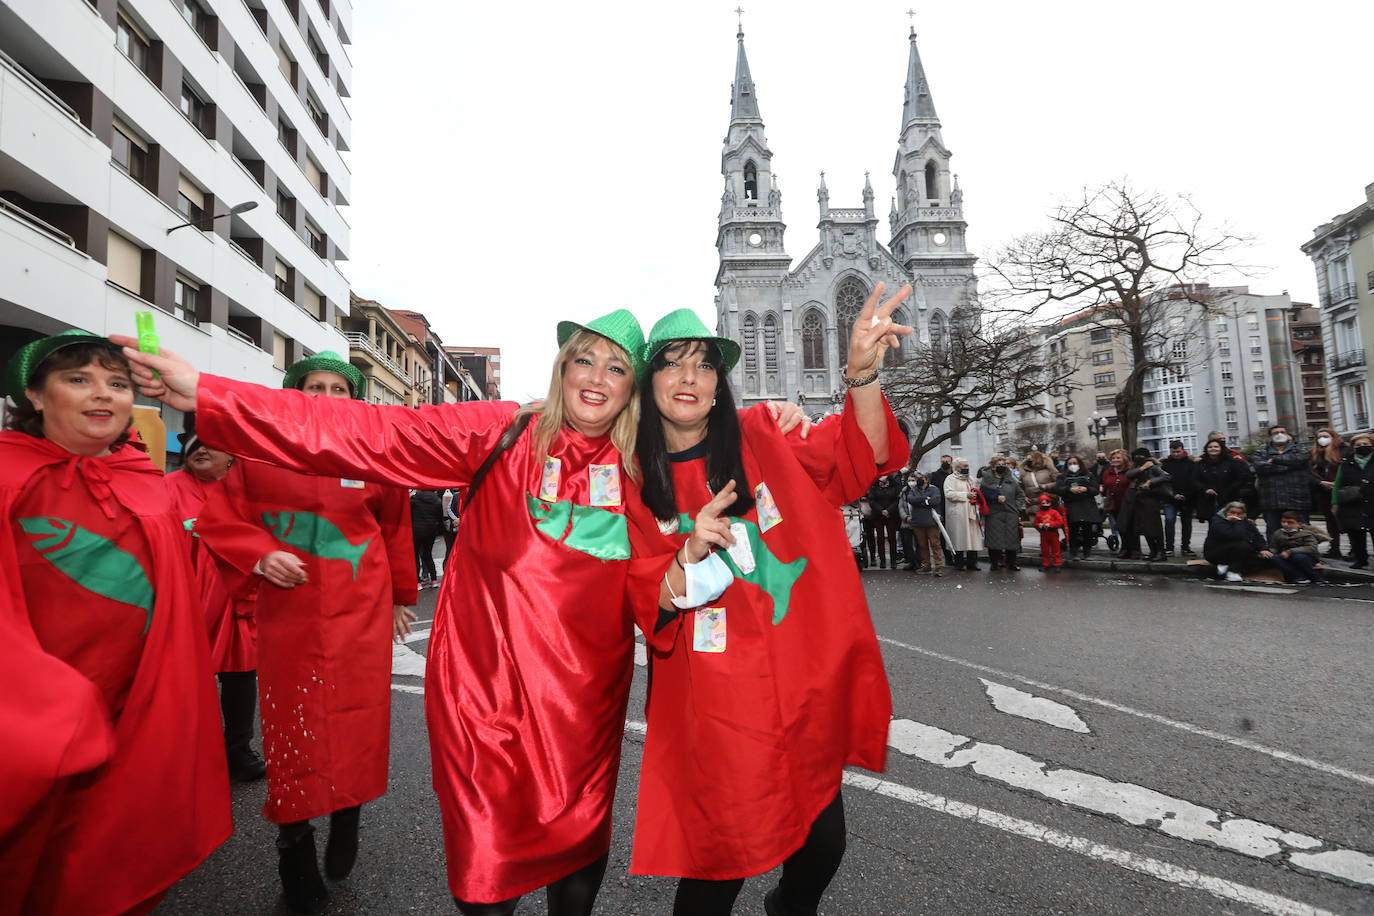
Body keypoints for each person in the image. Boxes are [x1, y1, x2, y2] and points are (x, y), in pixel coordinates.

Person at [118, 315, 805, 916]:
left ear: (632, 389)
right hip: (483, 694)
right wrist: (212, 394)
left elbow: (666, 552)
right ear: (562, 368)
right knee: (484, 860)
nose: (597, 377)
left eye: (617, 367)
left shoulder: (637, 469)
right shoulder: (500, 430)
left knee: (578, 842)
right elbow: (369, 432)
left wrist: (771, 423)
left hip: (584, 703)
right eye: (584, 359)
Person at [625, 287, 911, 916]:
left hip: (798, 682)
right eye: (671, 363)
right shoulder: (633, 480)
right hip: (715, 699)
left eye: (704, 364)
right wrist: (687, 553)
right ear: (649, 383)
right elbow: (648, 597)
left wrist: (861, 374)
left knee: (822, 845)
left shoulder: (764, 434)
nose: (689, 377)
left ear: (719, 384)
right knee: (720, 864)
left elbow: (860, 455)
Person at [0, 331, 230, 913]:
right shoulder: (6, 473)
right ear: (35, 395)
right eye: (78, 379)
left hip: (138, 697)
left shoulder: (143, 476)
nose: (102, 393)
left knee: (117, 844)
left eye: (117, 383)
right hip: (32, 708)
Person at [193, 352, 417, 913]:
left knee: (358, 718)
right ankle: (294, 846)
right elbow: (222, 518)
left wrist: (399, 597)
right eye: (315, 386)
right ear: (295, 393)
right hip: (290, 612)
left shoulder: (373, 454)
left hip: (360, 608)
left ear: (353, 399)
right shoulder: (259, 451)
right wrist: (261, 554)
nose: (326, 396)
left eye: (339, 388)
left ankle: (348, 812)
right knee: (292, 725)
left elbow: (394, 528)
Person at [164, 429, 266, 782]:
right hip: (184, 602)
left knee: (240, 674)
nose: (200, 449)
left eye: (211, 444)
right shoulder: (168, 487)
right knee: (184, 679)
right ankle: (185, 750)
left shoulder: (247, 492)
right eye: (194, 444)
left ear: (233, 456)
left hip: (237, 602)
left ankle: (237, 749)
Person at [1250, 425, 1312, 543]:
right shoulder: (1260, 453)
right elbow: (1260, 467)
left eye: (1282, 432)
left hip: (1298, 499)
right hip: (1271, 500)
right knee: (1274, 533)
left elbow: (1301, 459)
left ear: (1288, 435)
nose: (1279, 434)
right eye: (1275, 432)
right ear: (1269, 436)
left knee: (1301, 532)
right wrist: (1291, 466)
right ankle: (1275, 553)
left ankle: (1302, 553)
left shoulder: (1301, 449)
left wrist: (1275, 460)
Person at [1119, 447, 1170, 561]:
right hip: (1138, 500)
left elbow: (1166, 476)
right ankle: (1153, 551)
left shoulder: (1154, 467)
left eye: (1140, 456)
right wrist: (1143, 468)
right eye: (1136, 456)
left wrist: (1150, 482)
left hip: (1150, 499)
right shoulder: (1137, 467)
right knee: (1144, 528)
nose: (1138, 458)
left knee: (1154, 527)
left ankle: (1161, 552)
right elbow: (1129, 475)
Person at [1203, 500, 1274, 582]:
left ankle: (1227, 568)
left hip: (1238, 553)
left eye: (1239, 514)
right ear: (1226, 512)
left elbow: (1257, 537)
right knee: (1242, 545)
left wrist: (1263, 549)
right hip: (1217, 552)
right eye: (1232, 512)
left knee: (1266, 559)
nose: (1235, 516)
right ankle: (1233, 571)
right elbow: (1236, 536)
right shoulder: (1218, 522)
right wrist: (1238, 522)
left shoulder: (1246, 523)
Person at [1333, 432, 1374, 569]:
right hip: (1352, 503)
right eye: (1358, 444)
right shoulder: (1345, 464)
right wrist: (1335, 503)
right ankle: (1361, 559)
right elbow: (1337, 484)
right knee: (1355, 533)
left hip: (1372, 502)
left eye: (1365, 444)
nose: (1362, 446)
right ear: (1353, 447)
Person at [979, 456, 1024, 571]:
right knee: (994, 540)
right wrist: (995, 498)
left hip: (1010, 513)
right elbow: (982, 495)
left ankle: (1012, 563)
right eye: (998, 465)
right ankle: (994, 563)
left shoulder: (1011, 480)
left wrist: (1017, 507)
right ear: (993, 467)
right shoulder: (986, 481)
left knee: (1012, 539)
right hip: (994, 514)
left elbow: (1020, 495)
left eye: (1003, 464)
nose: (1002, 467)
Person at [1310, 428, 1348, 559]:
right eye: (1319, 437)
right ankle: (1334, 548)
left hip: (1342, 490)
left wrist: (1337, 483)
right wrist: (1320, 482)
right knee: (1331, 522)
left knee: (1349, 520)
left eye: (1325, 436)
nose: (1322, 439)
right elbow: (1309, 471)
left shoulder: (1344, 450)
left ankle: (1356, 550)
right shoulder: (1314, 453)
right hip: (1323, 492)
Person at [1195, 438, 1250, 522]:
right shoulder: (1200, 464)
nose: (1213, 449)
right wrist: (1205, 489)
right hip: (1209, 500)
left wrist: (1230, 488)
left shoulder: (1231, 462)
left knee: (1230, 523)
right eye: (1210, 447)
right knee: (1213, 524)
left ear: (1221, 448)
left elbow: (1240, 478)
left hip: (1228, 499)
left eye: (1216, 447)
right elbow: (1195, 480)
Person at [1053, 455, 1098, 559]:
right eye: (1070, 463)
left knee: (1087, 531)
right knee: (1073, 530)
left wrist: (1086, 489)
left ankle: (1087, 552)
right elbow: (1058, 489)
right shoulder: (1062, 477)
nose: (1073, 465)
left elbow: (1095, 489)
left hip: (1087, 506)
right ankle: (1073, 552)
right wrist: (1069, 489)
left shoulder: (1089, 475)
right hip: (1071, 506)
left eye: (1075, 463)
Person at [1159, 440, 1198, 557]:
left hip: (1187, 498)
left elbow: (1193, 480)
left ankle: (1185, 547)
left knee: (1187, 523)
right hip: (1170, 498)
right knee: (1169, 521)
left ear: (1183, 450)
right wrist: (1173, 494)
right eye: (1173, 452)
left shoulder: (1191, 464)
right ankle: (1169, 547)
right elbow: (1164, 482)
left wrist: (1186, 494)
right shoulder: (1165, 464)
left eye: (1178, 452)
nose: (1176, 454)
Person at [943, 458, 984, 570]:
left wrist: (975, 496)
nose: (967, 468)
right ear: (957, 467)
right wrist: (965, 495)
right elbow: (949, 494)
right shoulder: (950, 479)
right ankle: (959, 563)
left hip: (971, 512)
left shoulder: (970, 479)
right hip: (958, 514)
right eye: (964, 466)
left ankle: (972, 563)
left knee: (972, 538)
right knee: (959, 538)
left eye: (967, 465)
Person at [1269, 512, 1326, 584]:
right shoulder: (1278, 533)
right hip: (1285, 556)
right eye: (1283, 522)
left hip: (1306, 557)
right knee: (1275, 558)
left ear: (1299, 524)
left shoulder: (1306, 534)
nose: (1285, 524)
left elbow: (1311, 548)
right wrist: (1270, 552)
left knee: (1299, 557)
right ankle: (1298, 577)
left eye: (1290, 522)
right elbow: (1274, 547)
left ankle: (1315, 577)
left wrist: (1290, 552)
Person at [905, 472, 944, 575]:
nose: (918, 479)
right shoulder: (913, 490)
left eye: (921, 477)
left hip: (932, 522)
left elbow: (935, 501)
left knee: (935, 544)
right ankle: (926, 565)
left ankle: (939, 566)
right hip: (918, 522)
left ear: (926, 479)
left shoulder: (934, 489)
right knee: (922, 545)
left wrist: (920, 502)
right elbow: (911, 500)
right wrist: (925, 499)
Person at [411, 487, 445, 588]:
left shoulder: (414, 499)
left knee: (415, 555)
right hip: (430, 531)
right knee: (428, 555)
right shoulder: (437, 500)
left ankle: (418, 582)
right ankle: (434, 580)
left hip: (416, 531)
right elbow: (440, 518)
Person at [866, 472, 901, 568]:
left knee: (892, 538)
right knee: (880, 538)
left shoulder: (894, 486)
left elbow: (897, 500)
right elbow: (872, 500)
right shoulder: (874, 486)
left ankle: (893, 560)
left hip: (891, 515)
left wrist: (888, 510)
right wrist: (881, 510)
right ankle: (882, 561)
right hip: (878, 515)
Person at [1099, 449, 1130, 553]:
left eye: (1118, 458)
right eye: (1113, 458)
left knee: (1128, 527)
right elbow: (1105, 486)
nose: (1115, 460)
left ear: (1124, 459)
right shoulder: (1108, 472)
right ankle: (1124, 548)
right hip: (1113, 504)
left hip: (1127, 503)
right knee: (1119, 526)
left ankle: (1133, 549)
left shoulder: (1129, 470)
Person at [929, 454, 956, 565]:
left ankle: (957, 556)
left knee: (955, 532)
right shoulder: (935, 475)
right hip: (942, 507)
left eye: (947, 461)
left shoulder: (955, 474)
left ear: (951, 462)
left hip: (954, 507)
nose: (945, 463)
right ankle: (948, 557)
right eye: (943, 461)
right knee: (943, 534)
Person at [1032, 494, 1066, 570]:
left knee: (1056, 549)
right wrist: (1039, 525)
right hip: (1044, 534)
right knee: (1045, 550)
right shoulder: (1038, 514)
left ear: (1050, 503)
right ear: (1040, 504)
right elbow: (1035, 523)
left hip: (1053, 533)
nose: (1045, 505)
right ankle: (1045, 564)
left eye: (1047, 503)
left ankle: (1057, 564)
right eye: (1043, 503)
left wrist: (1051, 524)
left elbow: (1060, 521)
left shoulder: (1054, 512)